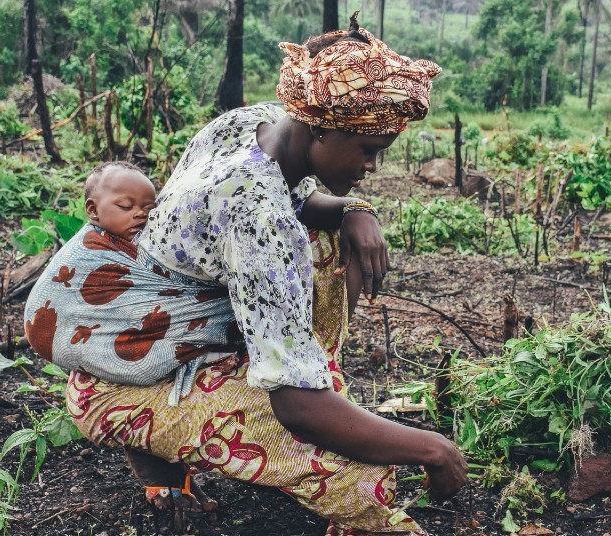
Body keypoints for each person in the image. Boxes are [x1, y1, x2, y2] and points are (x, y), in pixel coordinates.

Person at [24, 15, 467, 535]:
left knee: (326, 239)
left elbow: (301, 201)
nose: (372, 167)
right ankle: (154, 433)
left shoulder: (251, 124)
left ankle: (287, 381)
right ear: (319, 126)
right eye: (369, 150)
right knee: (365, 481)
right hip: (119, 382)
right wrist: (432, 449)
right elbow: (297, 406)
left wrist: (354, 210)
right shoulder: (256, 217)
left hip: (153, 333)